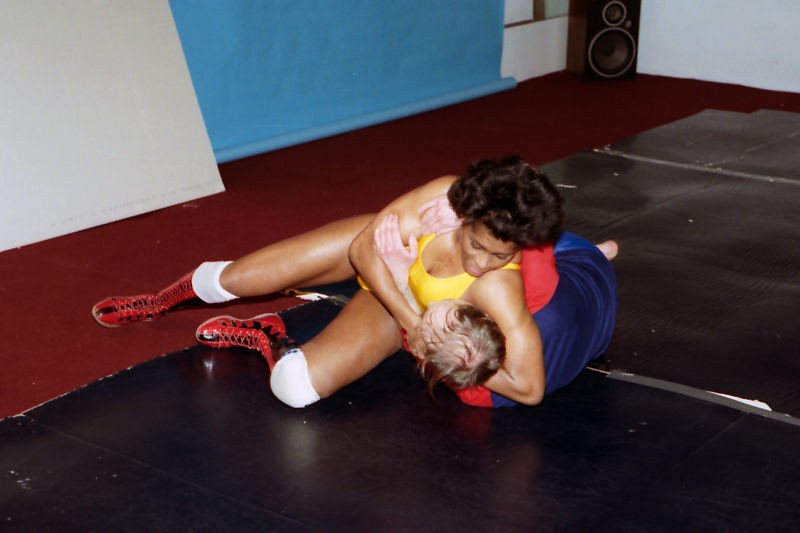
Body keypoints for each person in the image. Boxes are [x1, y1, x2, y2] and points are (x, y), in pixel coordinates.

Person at [92, 156, 564, 408]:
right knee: (238, 277)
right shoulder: (443, 197)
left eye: (500, 255)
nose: (482, 263)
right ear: (466, 216)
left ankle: (266, 335)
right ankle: (160, 300)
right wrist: (413, 318)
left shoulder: (500, 288)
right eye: (476, 245)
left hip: (391, 305)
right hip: (372, 254)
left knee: (296, 389)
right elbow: (363, 251)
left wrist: (434, 341)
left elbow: (530, 389)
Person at [373, 210, 618, 407]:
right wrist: (462, 215)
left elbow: (420, 336)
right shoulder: (524, 292)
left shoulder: (473, 392)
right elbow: (528, 211)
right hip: (584, 267)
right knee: (513, 237)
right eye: (438, 307)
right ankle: (597, 251)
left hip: (599, 331)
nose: (431, 303)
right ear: (483, 313)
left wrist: (401, 277)